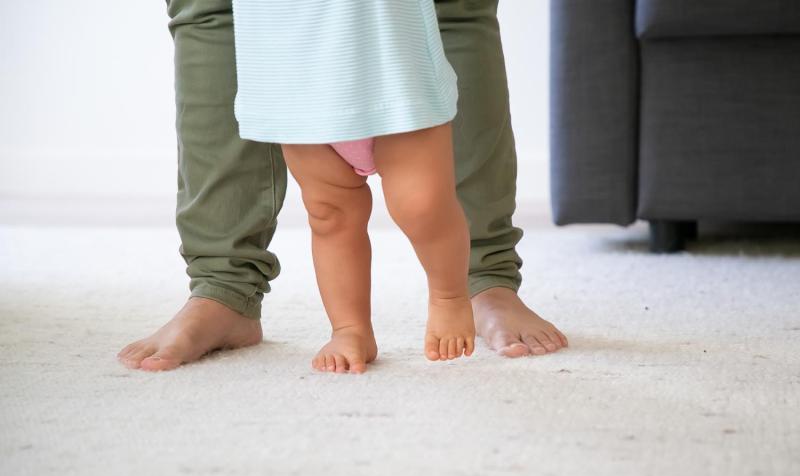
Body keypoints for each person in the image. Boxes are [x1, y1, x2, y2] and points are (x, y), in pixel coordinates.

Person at [117, 0, 568, 372]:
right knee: (330, 216)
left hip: (393, 71)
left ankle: (458, 291)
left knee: (422, 205)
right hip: (293, 83)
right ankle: (348, 328)